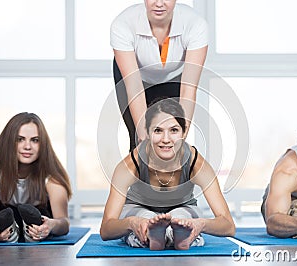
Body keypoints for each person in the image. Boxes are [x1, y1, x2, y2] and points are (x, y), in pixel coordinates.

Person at [100, 98, 235, 250]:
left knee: (182, 219)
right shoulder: (130, 165)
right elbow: (106, 229)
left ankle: (169, 236)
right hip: (138, 208)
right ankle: (157, 235)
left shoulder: (195, 163)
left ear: (184, 132)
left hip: (183, 208)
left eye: (174, 130)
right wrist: (131, 223)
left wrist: (201, 224)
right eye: (158, 130)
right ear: (148, 133)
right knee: (145, 219)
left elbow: (228, 225)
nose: (166, 139)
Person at [111, 0, 208, 151]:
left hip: (174, 77)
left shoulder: (195, 24)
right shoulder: (123, 24)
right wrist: (144, 139)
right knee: (140, 141)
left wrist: (180, 138)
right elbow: (134, 87)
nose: (159, 3)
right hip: (136, 79)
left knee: (170, 137)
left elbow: (188, 89)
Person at [0, 112, 72, 243]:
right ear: (9, 142)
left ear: (43, 144)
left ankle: (33, 231)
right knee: (4, 214)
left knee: (41, 213)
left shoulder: (52, 180)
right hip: (4, 219)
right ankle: (9, 231)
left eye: (35, 140)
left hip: (39, 220)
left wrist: (51, 225)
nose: (27, 146)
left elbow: (64, 222)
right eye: (20, 139)